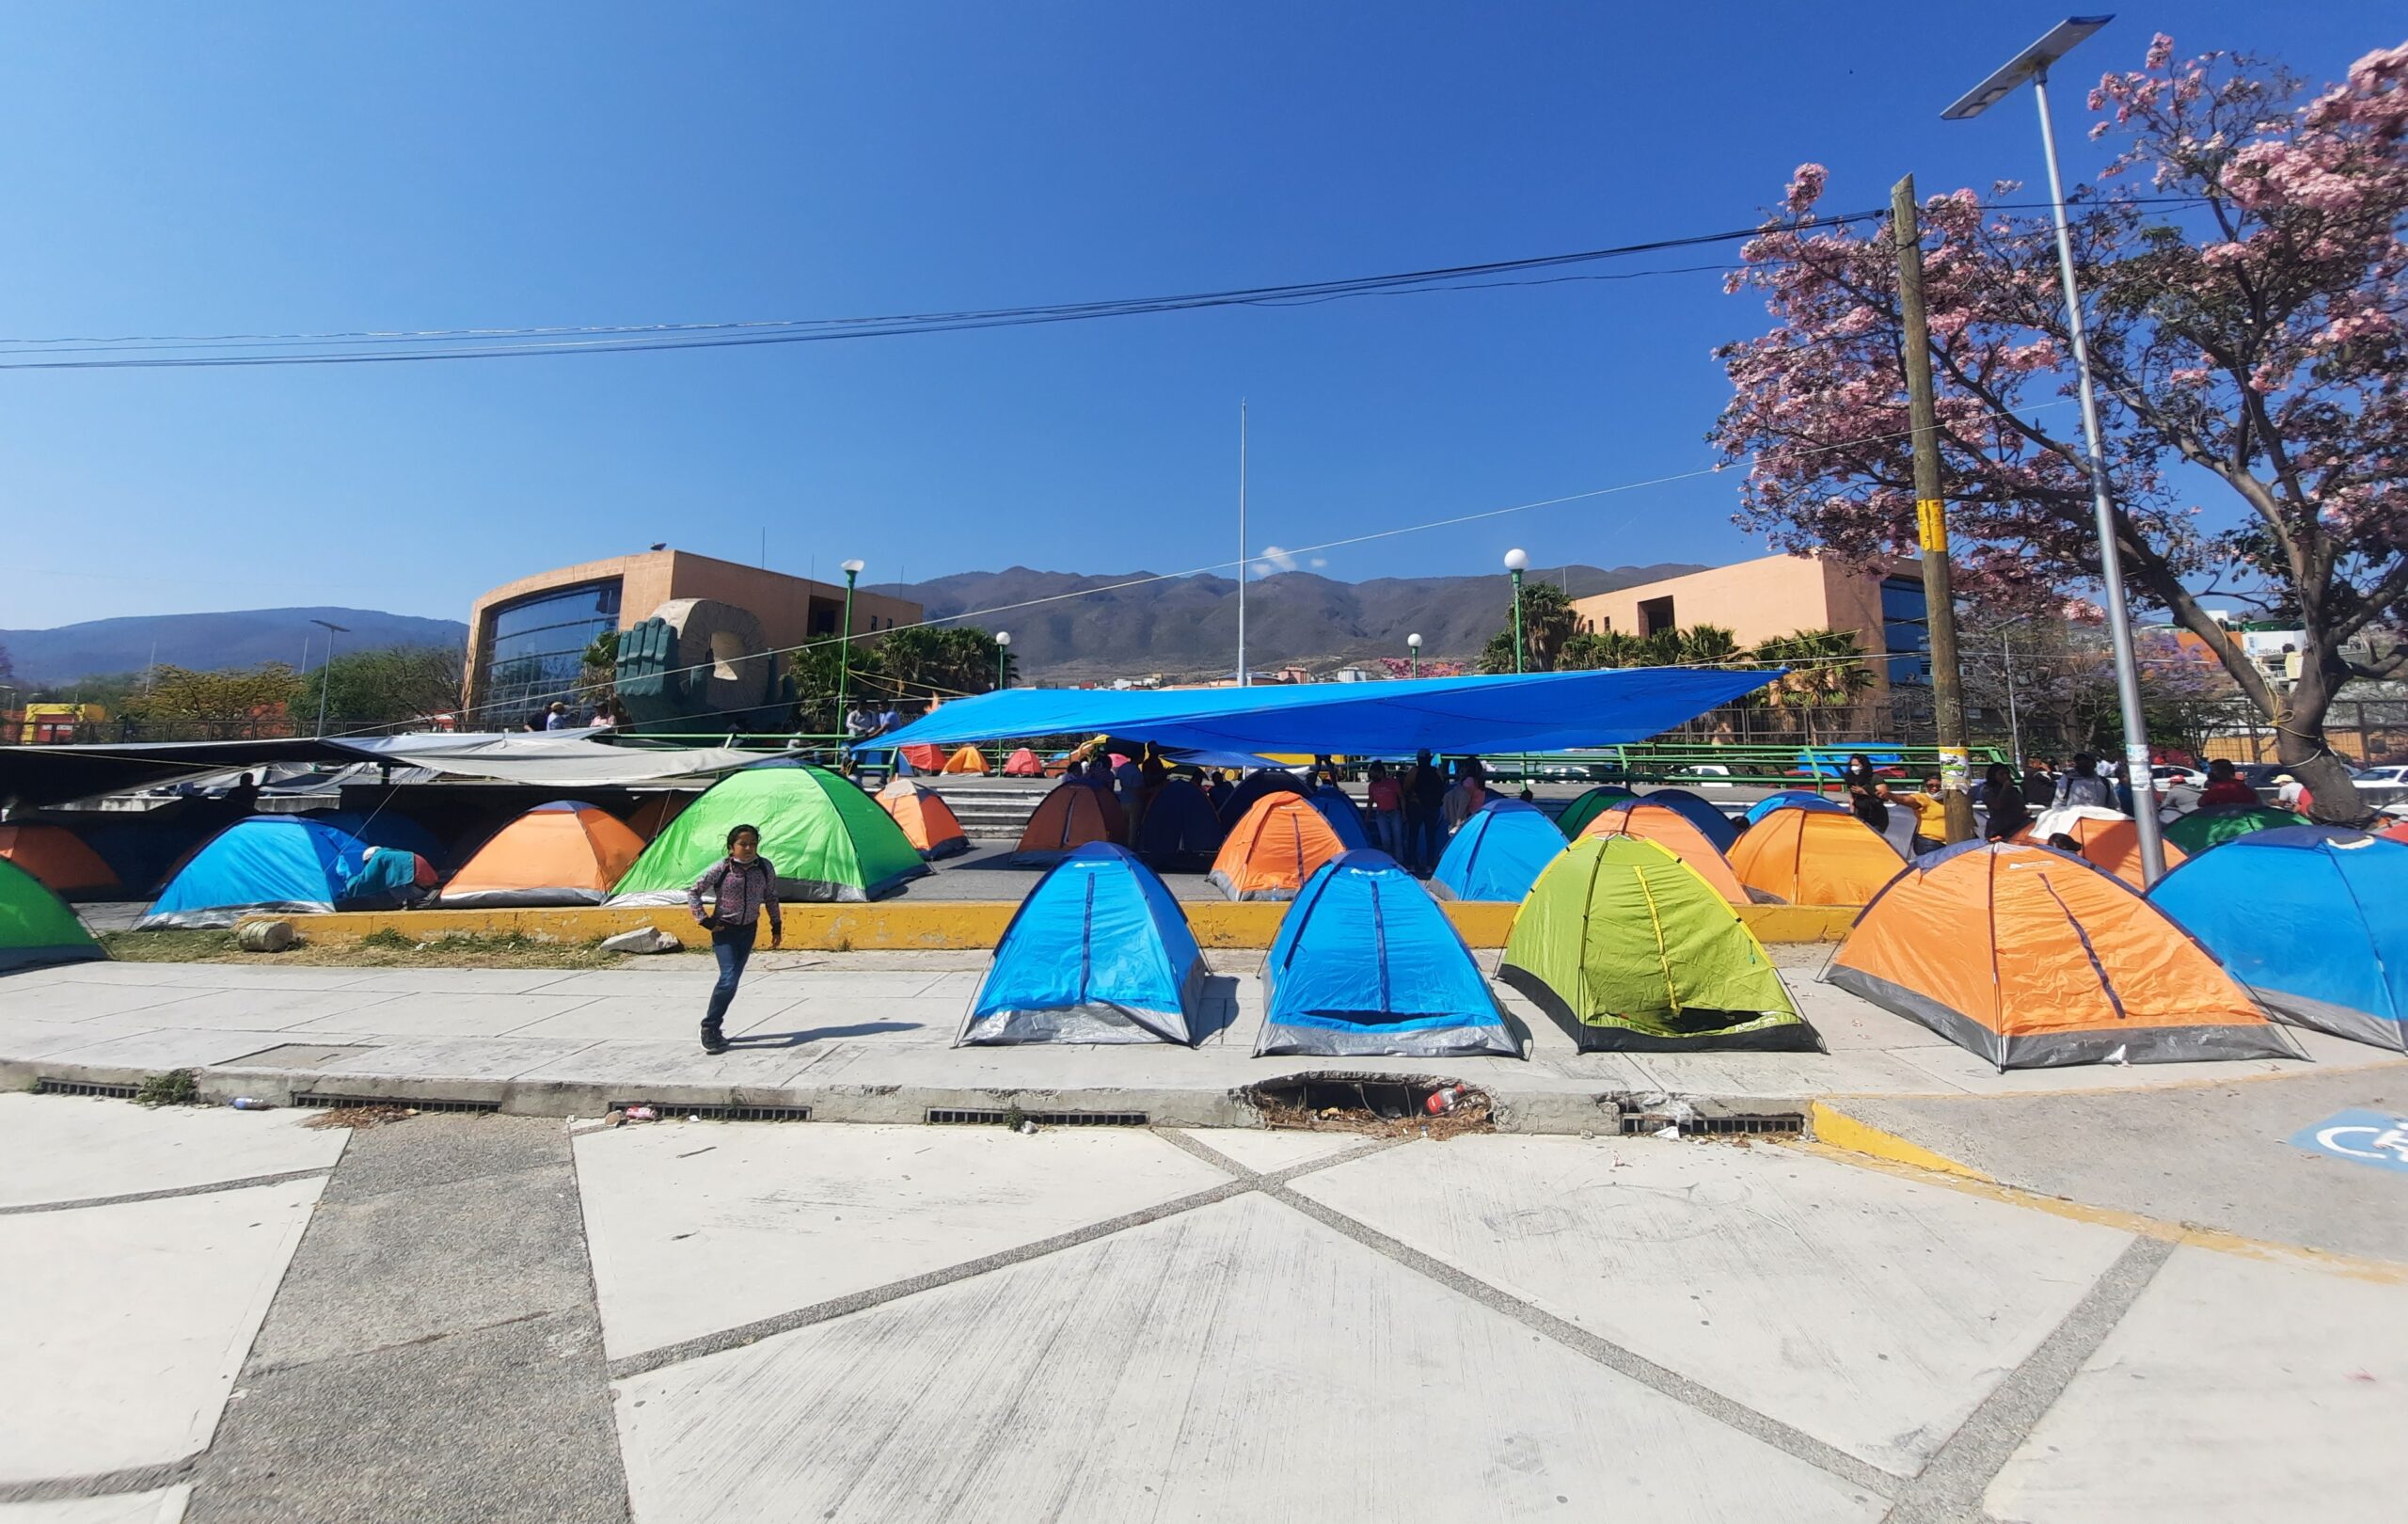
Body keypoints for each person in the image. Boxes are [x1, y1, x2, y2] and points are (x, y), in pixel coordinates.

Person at [688, 823, 782, 1055]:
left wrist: (776, 924)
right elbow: (693, 892)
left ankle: (715, 1028)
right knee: (728, 979)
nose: (748, 848)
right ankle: (709, 1028)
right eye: (743, 844)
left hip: (748, 930)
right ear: (731, 847)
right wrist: (704, 919)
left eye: (753, 844)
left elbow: (770, 896)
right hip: (724, 931)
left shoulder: (765, 868)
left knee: (733, 980)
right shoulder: (722, 869)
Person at [1404, 749, 1449, 874]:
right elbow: (1441, 788)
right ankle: (1429, 864)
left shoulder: (1414, 771)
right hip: (1432, 808)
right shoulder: (1437, 772)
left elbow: (1406, 787)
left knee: (1413, 835)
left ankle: (1412, 863)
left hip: (1417, 807)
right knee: (1431, 837)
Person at [1898, 773, 1950, 855]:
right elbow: (1904, 800)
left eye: (1939, 785)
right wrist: (1889, 795)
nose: (1934, 788)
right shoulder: (1922, 798)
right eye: (1930, 785)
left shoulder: (1951, 799)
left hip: (1953, 842)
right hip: (1929, 842)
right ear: (1925, 786)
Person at [1980, 763, 2031, 842]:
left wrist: (2025, 811)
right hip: (1999, 828)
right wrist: (2005, 789)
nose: (2005, 776)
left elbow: (2021, 806)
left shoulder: (2013, 790)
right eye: (2001, 774)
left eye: (2007, 773)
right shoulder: (1988, 790)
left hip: (2017, 826)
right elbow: (1997, 805)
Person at [1366, 760, 1405, 859]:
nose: (1372, 778)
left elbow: (1401, 797)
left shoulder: (1393, 783)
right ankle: (1389, 860)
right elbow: (1370, 801)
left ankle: (1400, 861)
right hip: (1381, 814)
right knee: (1385, 839)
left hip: (1394, 812)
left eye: (1374, 775)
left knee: (1398, 838)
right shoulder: (1372, 786)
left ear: (1381, 773)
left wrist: (1404, 813)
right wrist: (1367, 816)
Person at [1843, 754, 1891, 834]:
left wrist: (1865, 792)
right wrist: (1852, 812)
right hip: (1860, 814)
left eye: (1857, 765)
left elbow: (1884, 796)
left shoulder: (1875, 778)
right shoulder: (1852, 779)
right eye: (1852, 765)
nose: (1854, 768)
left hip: (1876, 816)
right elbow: (1852, 797)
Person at [1442, 757, 1489, 833]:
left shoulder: (1469, 782)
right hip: (1477, 813)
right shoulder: (1478, 780)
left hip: (1468, 815)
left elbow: (1464, 801)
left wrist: (1458, 822)